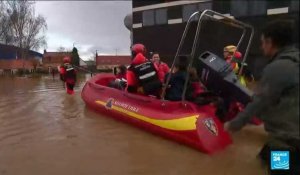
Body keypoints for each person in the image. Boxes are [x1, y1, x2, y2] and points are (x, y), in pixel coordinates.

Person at [224, 20, 299, 173]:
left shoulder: (279, 67)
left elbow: (260, 102)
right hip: (290, 135)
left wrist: (234, 124)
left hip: (285, 141)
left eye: (263, 42)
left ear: (270, 42)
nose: (261, 47)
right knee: (263, 159)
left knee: (279, 170)